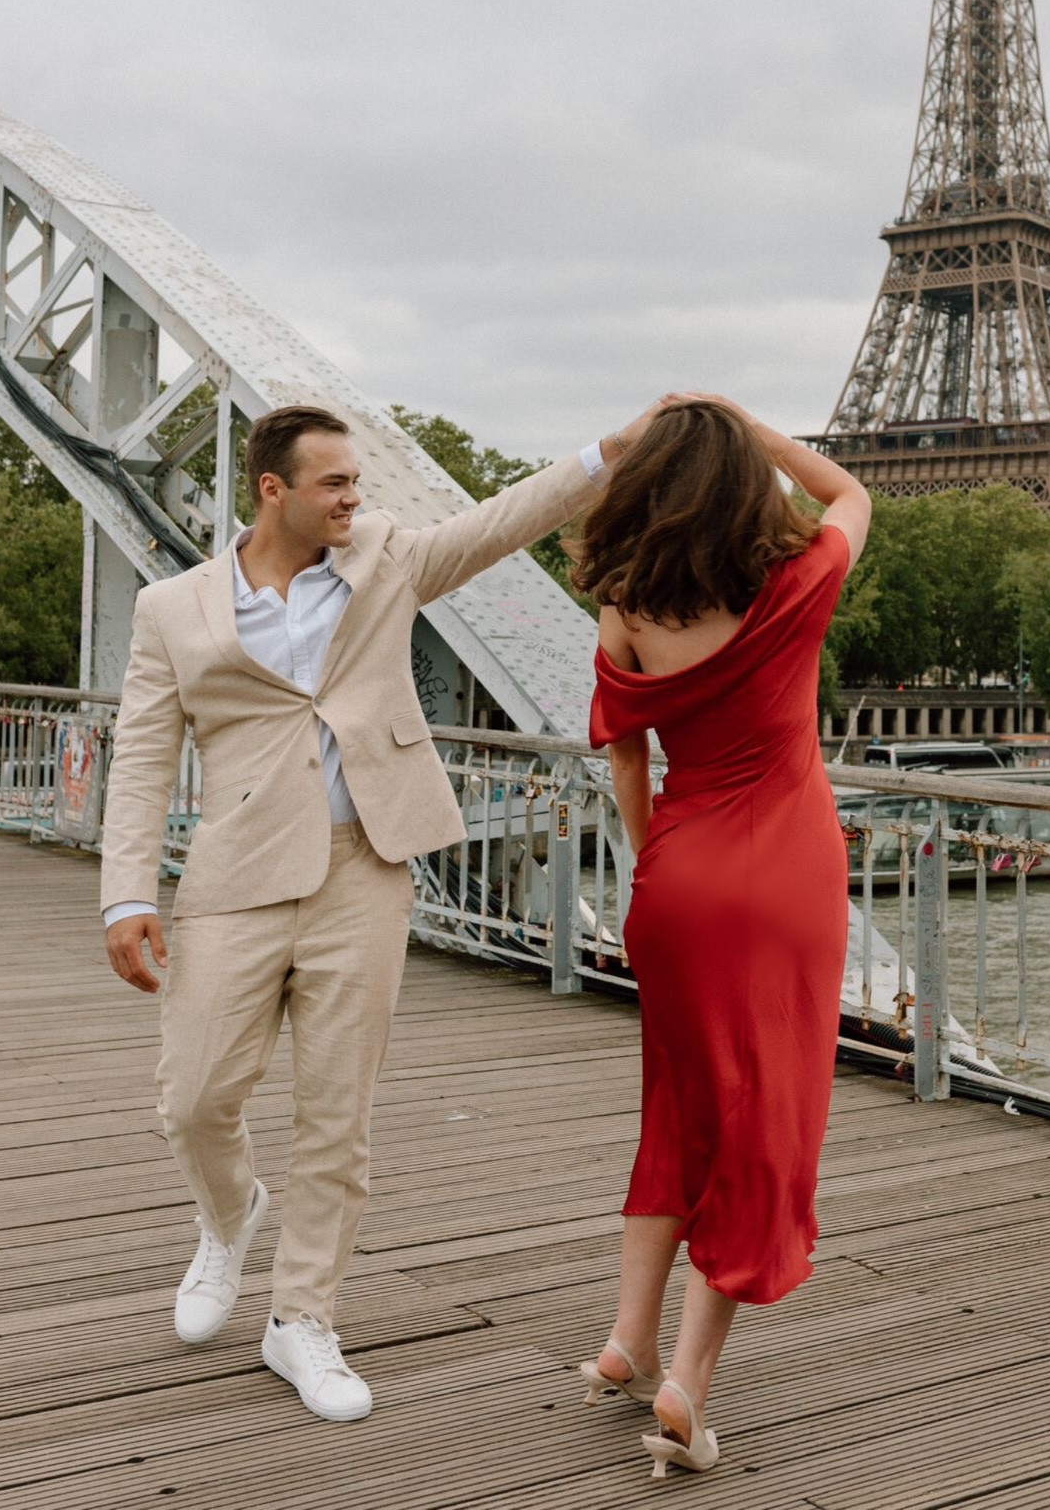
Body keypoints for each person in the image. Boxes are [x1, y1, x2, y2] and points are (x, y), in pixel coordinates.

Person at [100, 398, 661, 1422]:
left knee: (336, 1115)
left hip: (367, 862)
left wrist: (604, 455)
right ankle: (230, 1213)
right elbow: (140, 754)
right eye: (336, 484)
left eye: (359, 481)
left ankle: (302, 1316)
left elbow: (496, 524)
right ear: (273, 490)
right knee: (193, 1096)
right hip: (234, 873)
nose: (356, 497)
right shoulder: (171, 608)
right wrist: (129, 891)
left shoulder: (387, 558)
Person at [574, 397, 870, 1480]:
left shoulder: (624, 602)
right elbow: (850, 491)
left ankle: (626, 1332)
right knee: (758, 1130)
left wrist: (663, 860)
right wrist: (751, 425)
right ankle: (686, 1385)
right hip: (785, 880)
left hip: (677, 878)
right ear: (745, 483)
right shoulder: (799, 585)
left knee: (679, 1106)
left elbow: (625, 761)